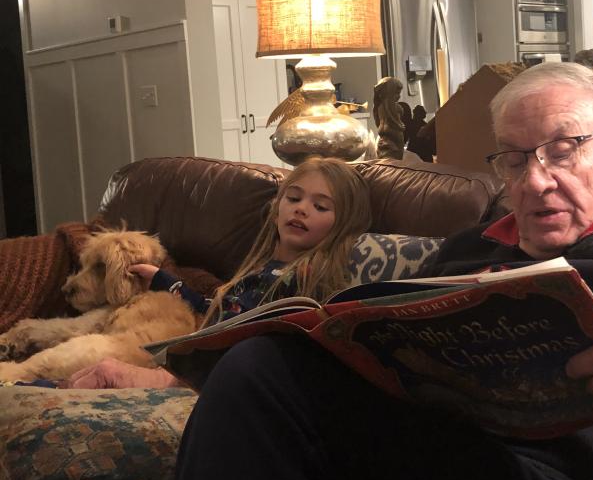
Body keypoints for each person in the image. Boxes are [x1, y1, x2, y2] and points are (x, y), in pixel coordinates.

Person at [124, 62, 593, 480]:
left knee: (265, 372)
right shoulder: (469, 251)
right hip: (421, 469)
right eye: (513, 160)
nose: (536, 181)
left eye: (564, 150)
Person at [65, 156, 371, 389]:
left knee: (105, 371)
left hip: (202, 382)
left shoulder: (305, 278)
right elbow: (217, 314)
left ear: (342, 224)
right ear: (277, 207)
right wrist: (162, 280)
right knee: (79, 376)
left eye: (320, 207)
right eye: (294, 198)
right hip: (191, 364)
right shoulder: (261, 267)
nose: (301, 209)